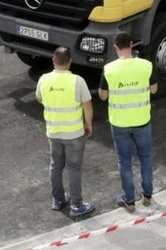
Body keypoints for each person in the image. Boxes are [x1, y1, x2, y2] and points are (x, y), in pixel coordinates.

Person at [98, 33, 159, 211]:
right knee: (145, 158)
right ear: (131, 45)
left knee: (124, 160)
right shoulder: (146, 65)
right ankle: (147, 195)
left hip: (119, 123)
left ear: (116, 47)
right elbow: (154, 89)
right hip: (142, 121)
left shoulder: (109, 69)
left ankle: (130, 200)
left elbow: (102, 96)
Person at [38, 47, 96, 220]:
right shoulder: (77, 81)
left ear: (53, 61)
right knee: (74, 169)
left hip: (54, 132)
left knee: (55, 166)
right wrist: (88, 124)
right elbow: (87, 106)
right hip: (74, 134)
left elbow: (39, 97)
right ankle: (76, 205)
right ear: (70, 61)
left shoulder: (44, 79)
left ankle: (58, 199)